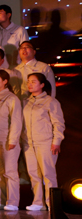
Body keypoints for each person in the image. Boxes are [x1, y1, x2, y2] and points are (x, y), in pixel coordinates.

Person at [22, 73, 65, 211]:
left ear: (42, 85)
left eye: (33, 82)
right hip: (29, 143)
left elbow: (58, 123)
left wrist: (56, 141)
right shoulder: (26, 102)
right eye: (28, 81)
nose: (30, 84)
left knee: (48, 174)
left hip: (45, 142)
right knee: (33, 174)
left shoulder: (51, 102)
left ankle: (52, 204)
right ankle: (38, 202)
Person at [0, 70, 23, 211]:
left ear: (5, 81)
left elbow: (16, 121)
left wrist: (13, 139)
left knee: (10, 172)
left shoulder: (11, 98)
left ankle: (12, 202)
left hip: (7, 139)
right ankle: (1, 200)